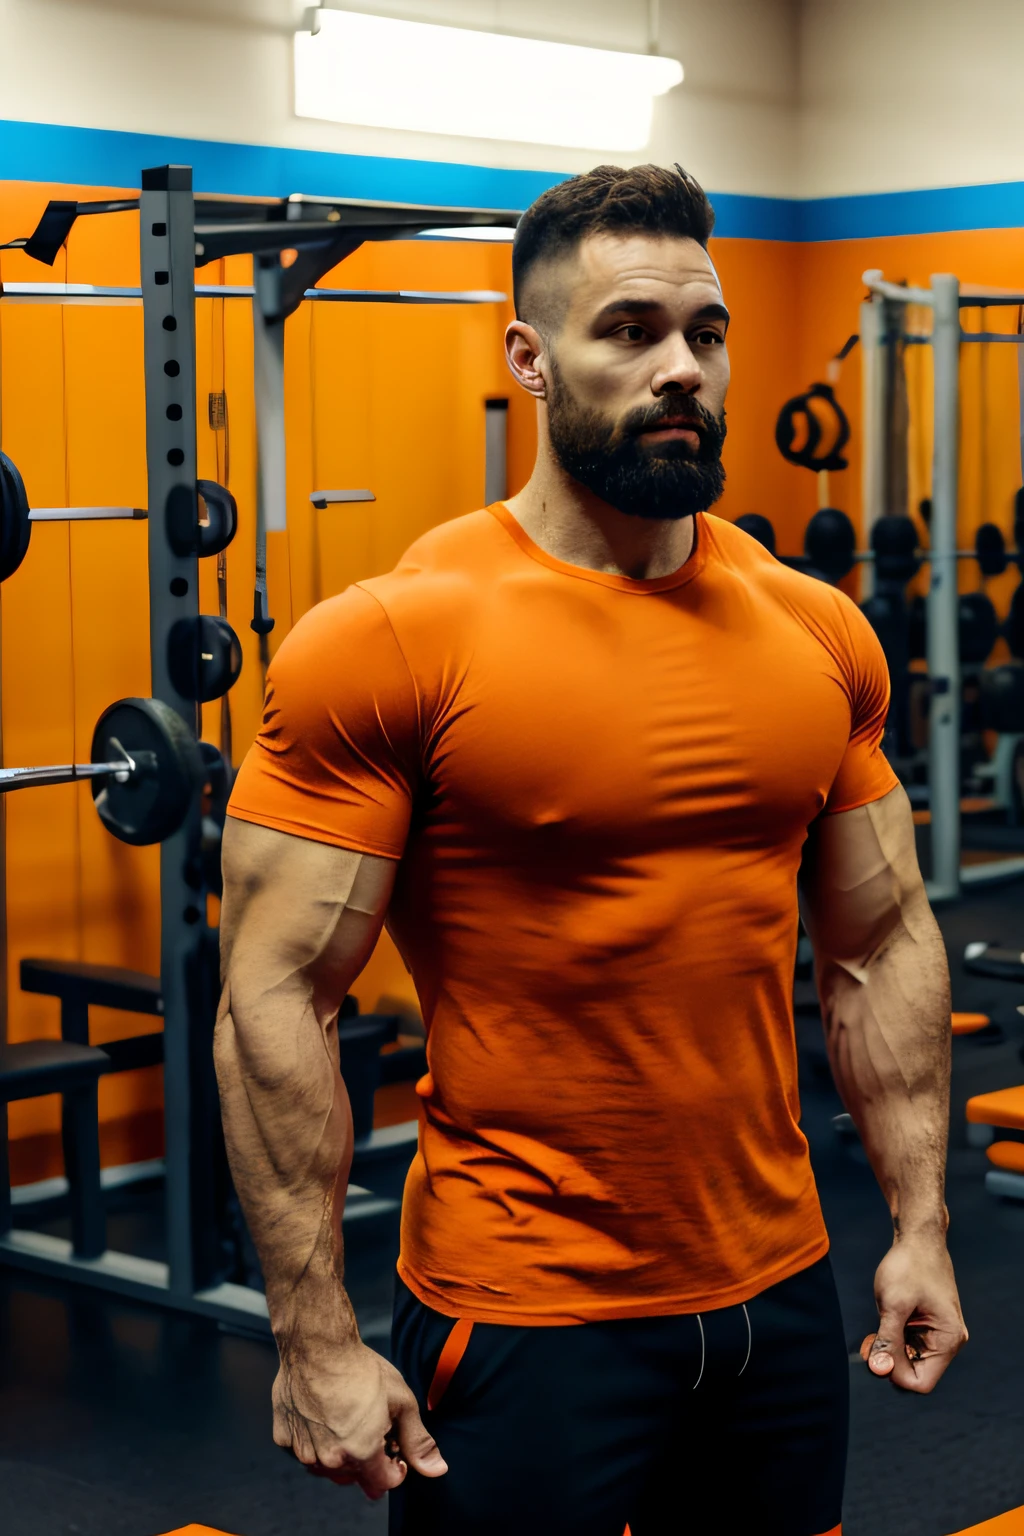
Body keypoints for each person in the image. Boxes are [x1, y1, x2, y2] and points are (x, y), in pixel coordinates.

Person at [216, 163, 967, 1536]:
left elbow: (880, 941)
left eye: (707, 333)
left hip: (778, 1299)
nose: (682, 368)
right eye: (629, 330)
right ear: (531, 358)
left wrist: (920, 1225)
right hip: (523, 1311)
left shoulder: (816, 631)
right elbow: (277, 994)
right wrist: (313, 1335)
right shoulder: (394, 637)